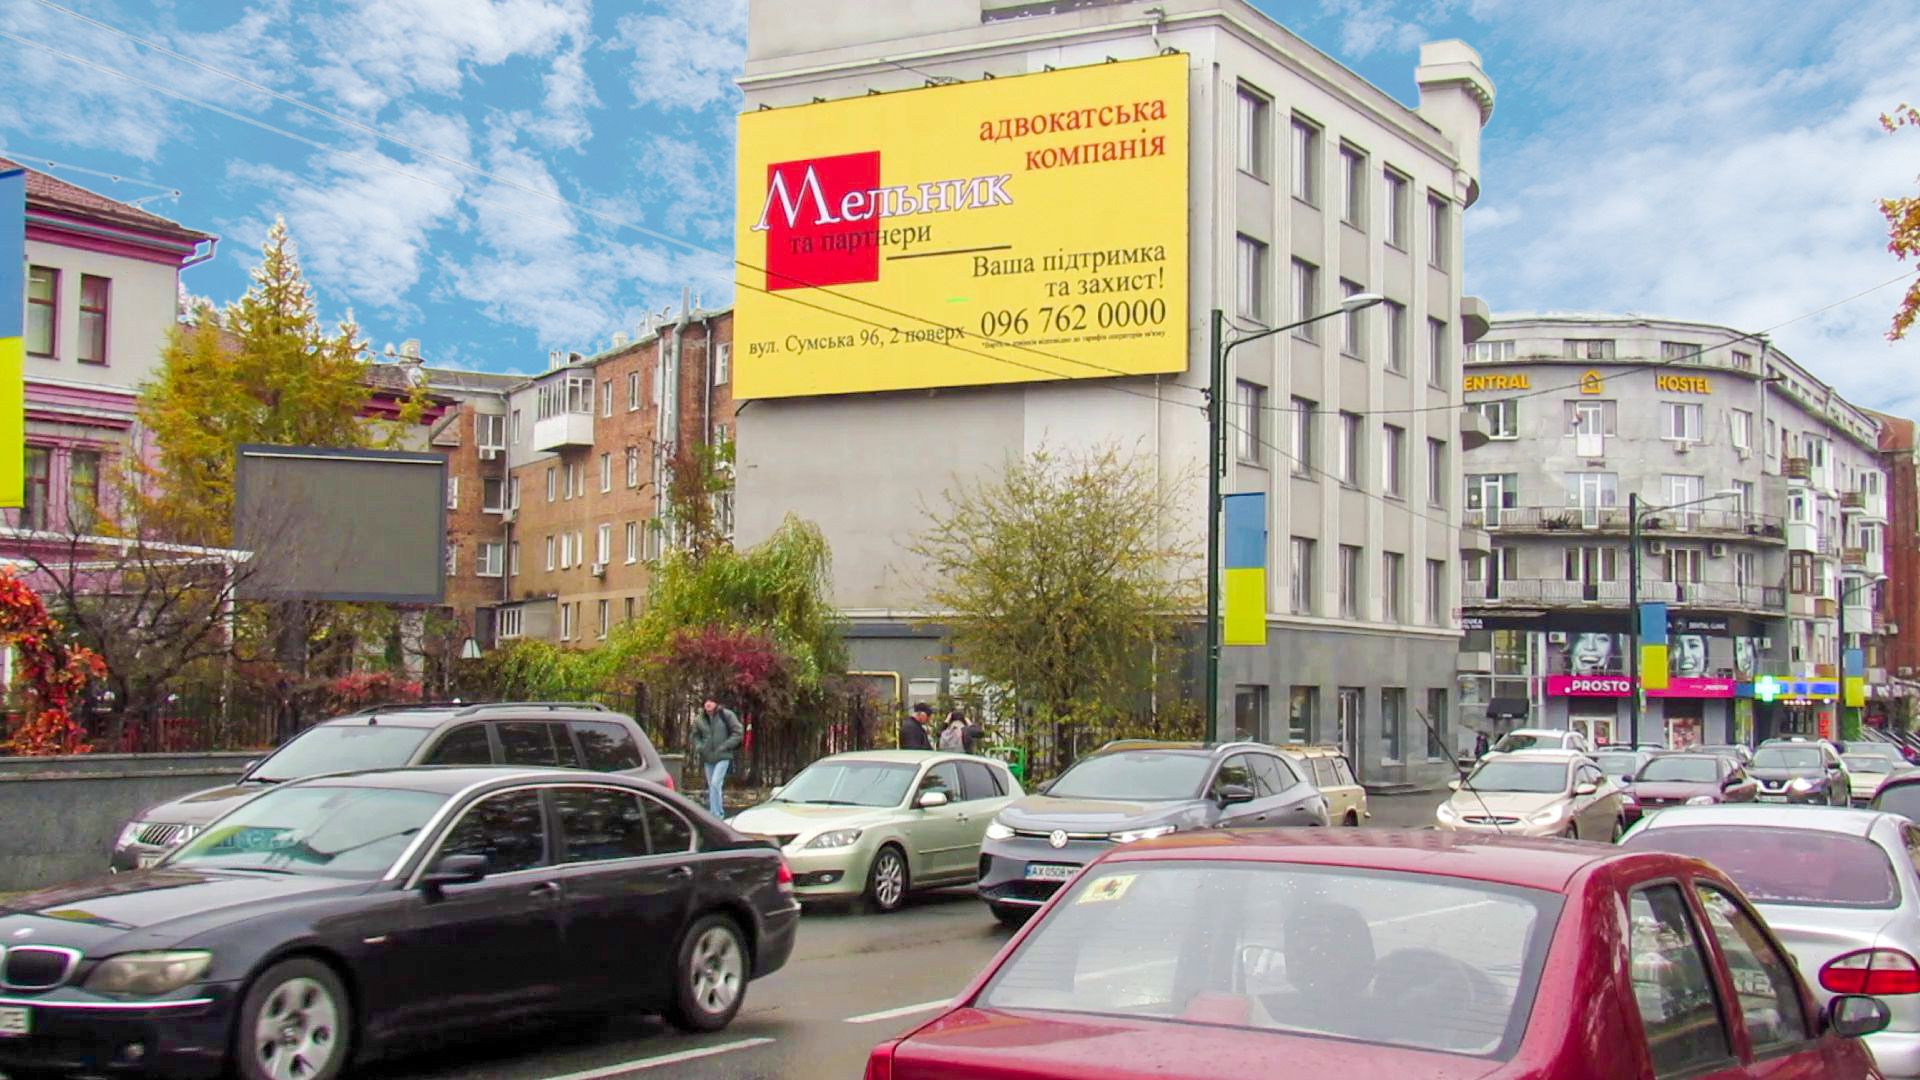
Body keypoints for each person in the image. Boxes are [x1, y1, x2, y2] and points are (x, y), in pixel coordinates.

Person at [691, 698, 743, 819]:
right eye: (706, 702)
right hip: (708, 757)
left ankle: (717, 815)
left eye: (711, 701)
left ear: (716, 703)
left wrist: (725, 746)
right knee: (712, 786)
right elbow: (695, 735)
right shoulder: (700, 719)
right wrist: (700, 747)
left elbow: (738, 732)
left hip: (723, 756)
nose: (708, 704)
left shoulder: (726, 715)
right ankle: (713, 813)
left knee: (715, 783)